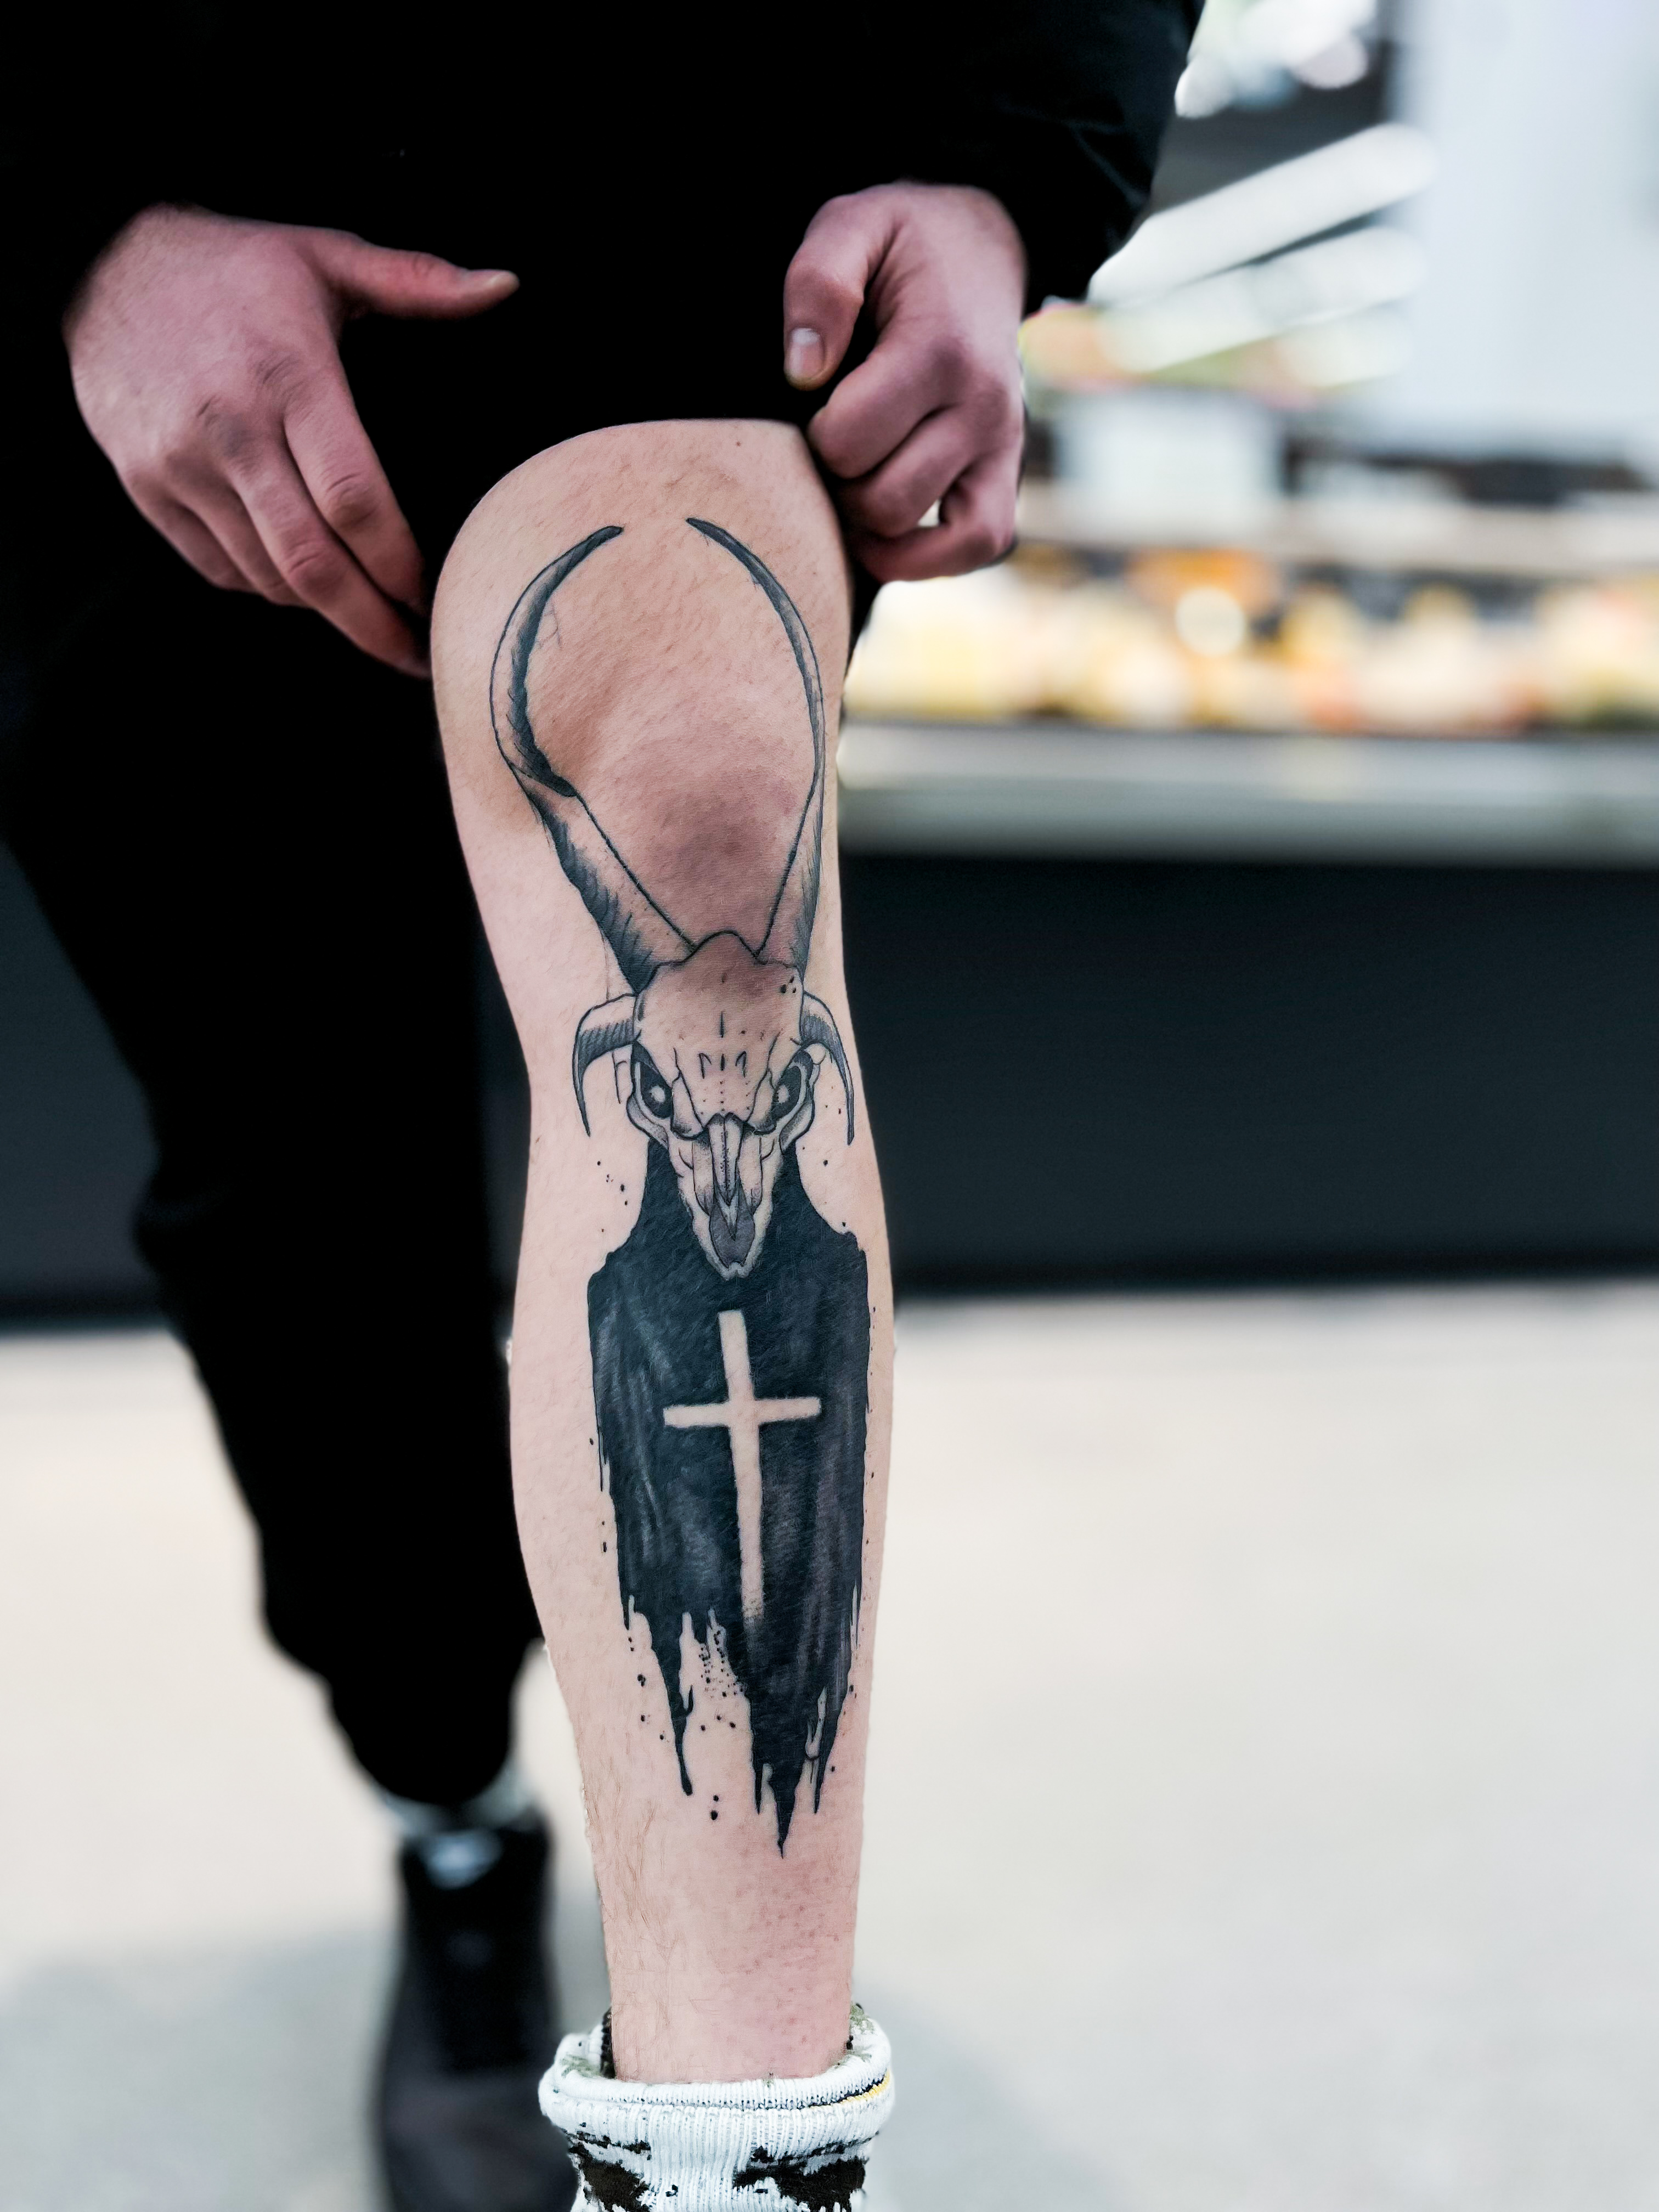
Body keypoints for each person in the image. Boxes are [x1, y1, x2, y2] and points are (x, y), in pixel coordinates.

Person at [1, 7, 1194, 2206]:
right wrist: (67, 218)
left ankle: (739, 2156)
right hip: (173, 223)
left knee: (711, 834)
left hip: (684, 168)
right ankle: (451, 1807)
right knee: (295, 1202)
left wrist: (1017, 156)